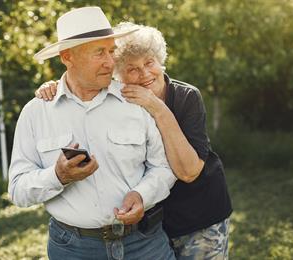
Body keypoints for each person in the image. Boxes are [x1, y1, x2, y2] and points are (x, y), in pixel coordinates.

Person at [37, 22, 233, 259]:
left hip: (199, 217)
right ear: (118, 75)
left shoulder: (186, 97)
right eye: (132, 69)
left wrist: (156, 107)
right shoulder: (121, 100)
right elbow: (81, 84)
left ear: (160, 60)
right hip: (150, 227)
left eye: (149, 62)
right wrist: (56, 87)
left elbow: (189, 172)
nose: (145, 74)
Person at [9, 7, 177, 260]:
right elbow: (18, 190)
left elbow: (164, 167)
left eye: (111, 51)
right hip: (73, 249)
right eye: (99, 52)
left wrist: (142, 195)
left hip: (144, 244)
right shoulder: (36, 113)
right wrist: (58, 176)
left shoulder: (135, 101)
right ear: (67, 57)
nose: (111, 62)